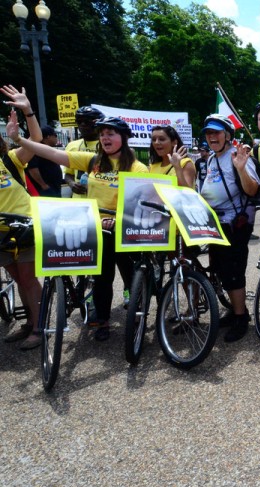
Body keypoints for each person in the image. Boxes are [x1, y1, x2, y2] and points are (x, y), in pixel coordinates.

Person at [12, 116, 150, 342]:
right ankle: (103, 320)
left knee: (130, 275)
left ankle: (136, 310)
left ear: (123, 138)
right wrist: (18, 138)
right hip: (97, 229)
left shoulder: (137, 167)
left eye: (111, 134)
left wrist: (119, 220)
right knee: (103, 278)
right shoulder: (93, 161)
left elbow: (138, 201)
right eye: (102, 134)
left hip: (122, 229)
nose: (105, 138)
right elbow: (52, 153)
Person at [198, 114, 260, 342]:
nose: (212, 136)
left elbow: (252, 190)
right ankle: (234, 310)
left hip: (235, 223)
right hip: (216, 222)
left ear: (227, 135)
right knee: (220, 268)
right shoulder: (212, 159)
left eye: (216, 132)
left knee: (234, 272)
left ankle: (241, 317)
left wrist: (242, 168)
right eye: (208, 133)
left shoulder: (237, 157)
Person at [0, 84, 43, 349]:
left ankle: (39, 329)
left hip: (25, 226)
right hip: (1, 233)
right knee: (18, 280)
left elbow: (36, 141)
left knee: (28, 278)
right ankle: (30, 322)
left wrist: (28, 112)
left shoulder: (10, 160)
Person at [64, 106, 104, 198]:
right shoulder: (72, 146)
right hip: (79, 201)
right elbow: (68, 173)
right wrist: (72, 184)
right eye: (79, 121)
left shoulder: (107, 145)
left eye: (87, 122)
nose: (82, 125)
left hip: (102, 201)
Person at [26, 126, 63, 197]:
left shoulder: (47, 150)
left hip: (53, 187)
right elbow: (33, 169)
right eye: (55, 135)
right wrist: (44, 185)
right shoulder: (36, 150)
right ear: (48, 136)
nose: (56, 138)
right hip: (45, 190)